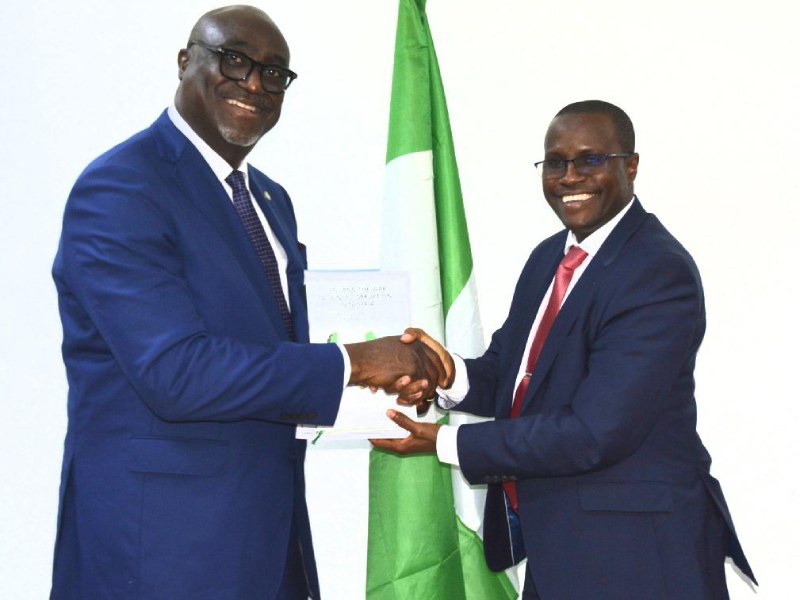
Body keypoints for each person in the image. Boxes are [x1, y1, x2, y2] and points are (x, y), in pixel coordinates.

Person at [50, 6, 445, 599]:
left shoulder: (269, 199)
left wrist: (387, 388)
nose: (255, 84)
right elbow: (176, 372)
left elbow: (276, 350)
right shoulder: (121, 188)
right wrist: (358, 363)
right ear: (185, 61)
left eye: (274, 73)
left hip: (270, 538)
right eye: (234, 60)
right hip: (161, 550)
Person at [373, 100, 756, 599]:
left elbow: (595, 432)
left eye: (590, 160)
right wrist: (441, 375)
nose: (570, 177)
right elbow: (512, 374)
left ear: (631, 166)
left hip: (640, 554)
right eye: (555, 163)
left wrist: (447, 443)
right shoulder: (549, 257)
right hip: (561, 546)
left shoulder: (656, 272)